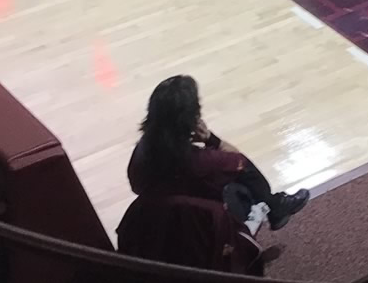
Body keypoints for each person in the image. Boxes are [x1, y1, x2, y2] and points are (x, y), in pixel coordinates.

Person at [129, 75, 307, 237]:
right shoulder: (206, 161)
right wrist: (212, 139)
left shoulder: (140, 152)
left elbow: (136, 187)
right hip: (205, 224)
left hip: (164, 226)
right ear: (193, 118)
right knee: (245, 176)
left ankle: (275, 207)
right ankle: (275, 207)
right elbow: (241, 161)